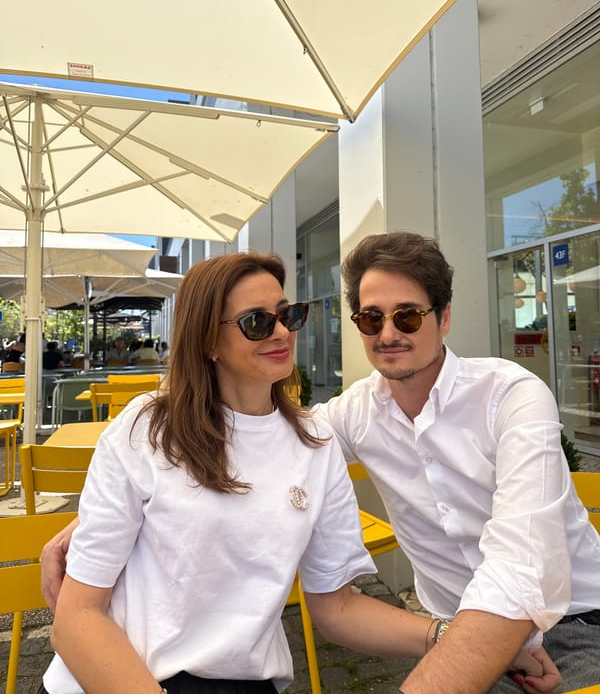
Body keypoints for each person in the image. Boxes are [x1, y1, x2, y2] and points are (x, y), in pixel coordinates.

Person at [40, 251, 560, 694]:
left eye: (287, 314)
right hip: (116, 675)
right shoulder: (146, 429)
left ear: (442, 318)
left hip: (245, 681)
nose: (281, 332)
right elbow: (76, 620)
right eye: (257, 322)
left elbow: (334, 607)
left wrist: (447, 636)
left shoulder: (316, 442)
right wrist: (90, 521)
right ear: (207, 340)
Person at [310, 231, 600, 693]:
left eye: (407, 316)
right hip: (454, 630)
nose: (387, 334)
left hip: (576, 625)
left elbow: (521, 562)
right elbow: (274, 440)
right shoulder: (355, 411)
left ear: (444, 318)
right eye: (370, 318)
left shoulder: (509, 395)